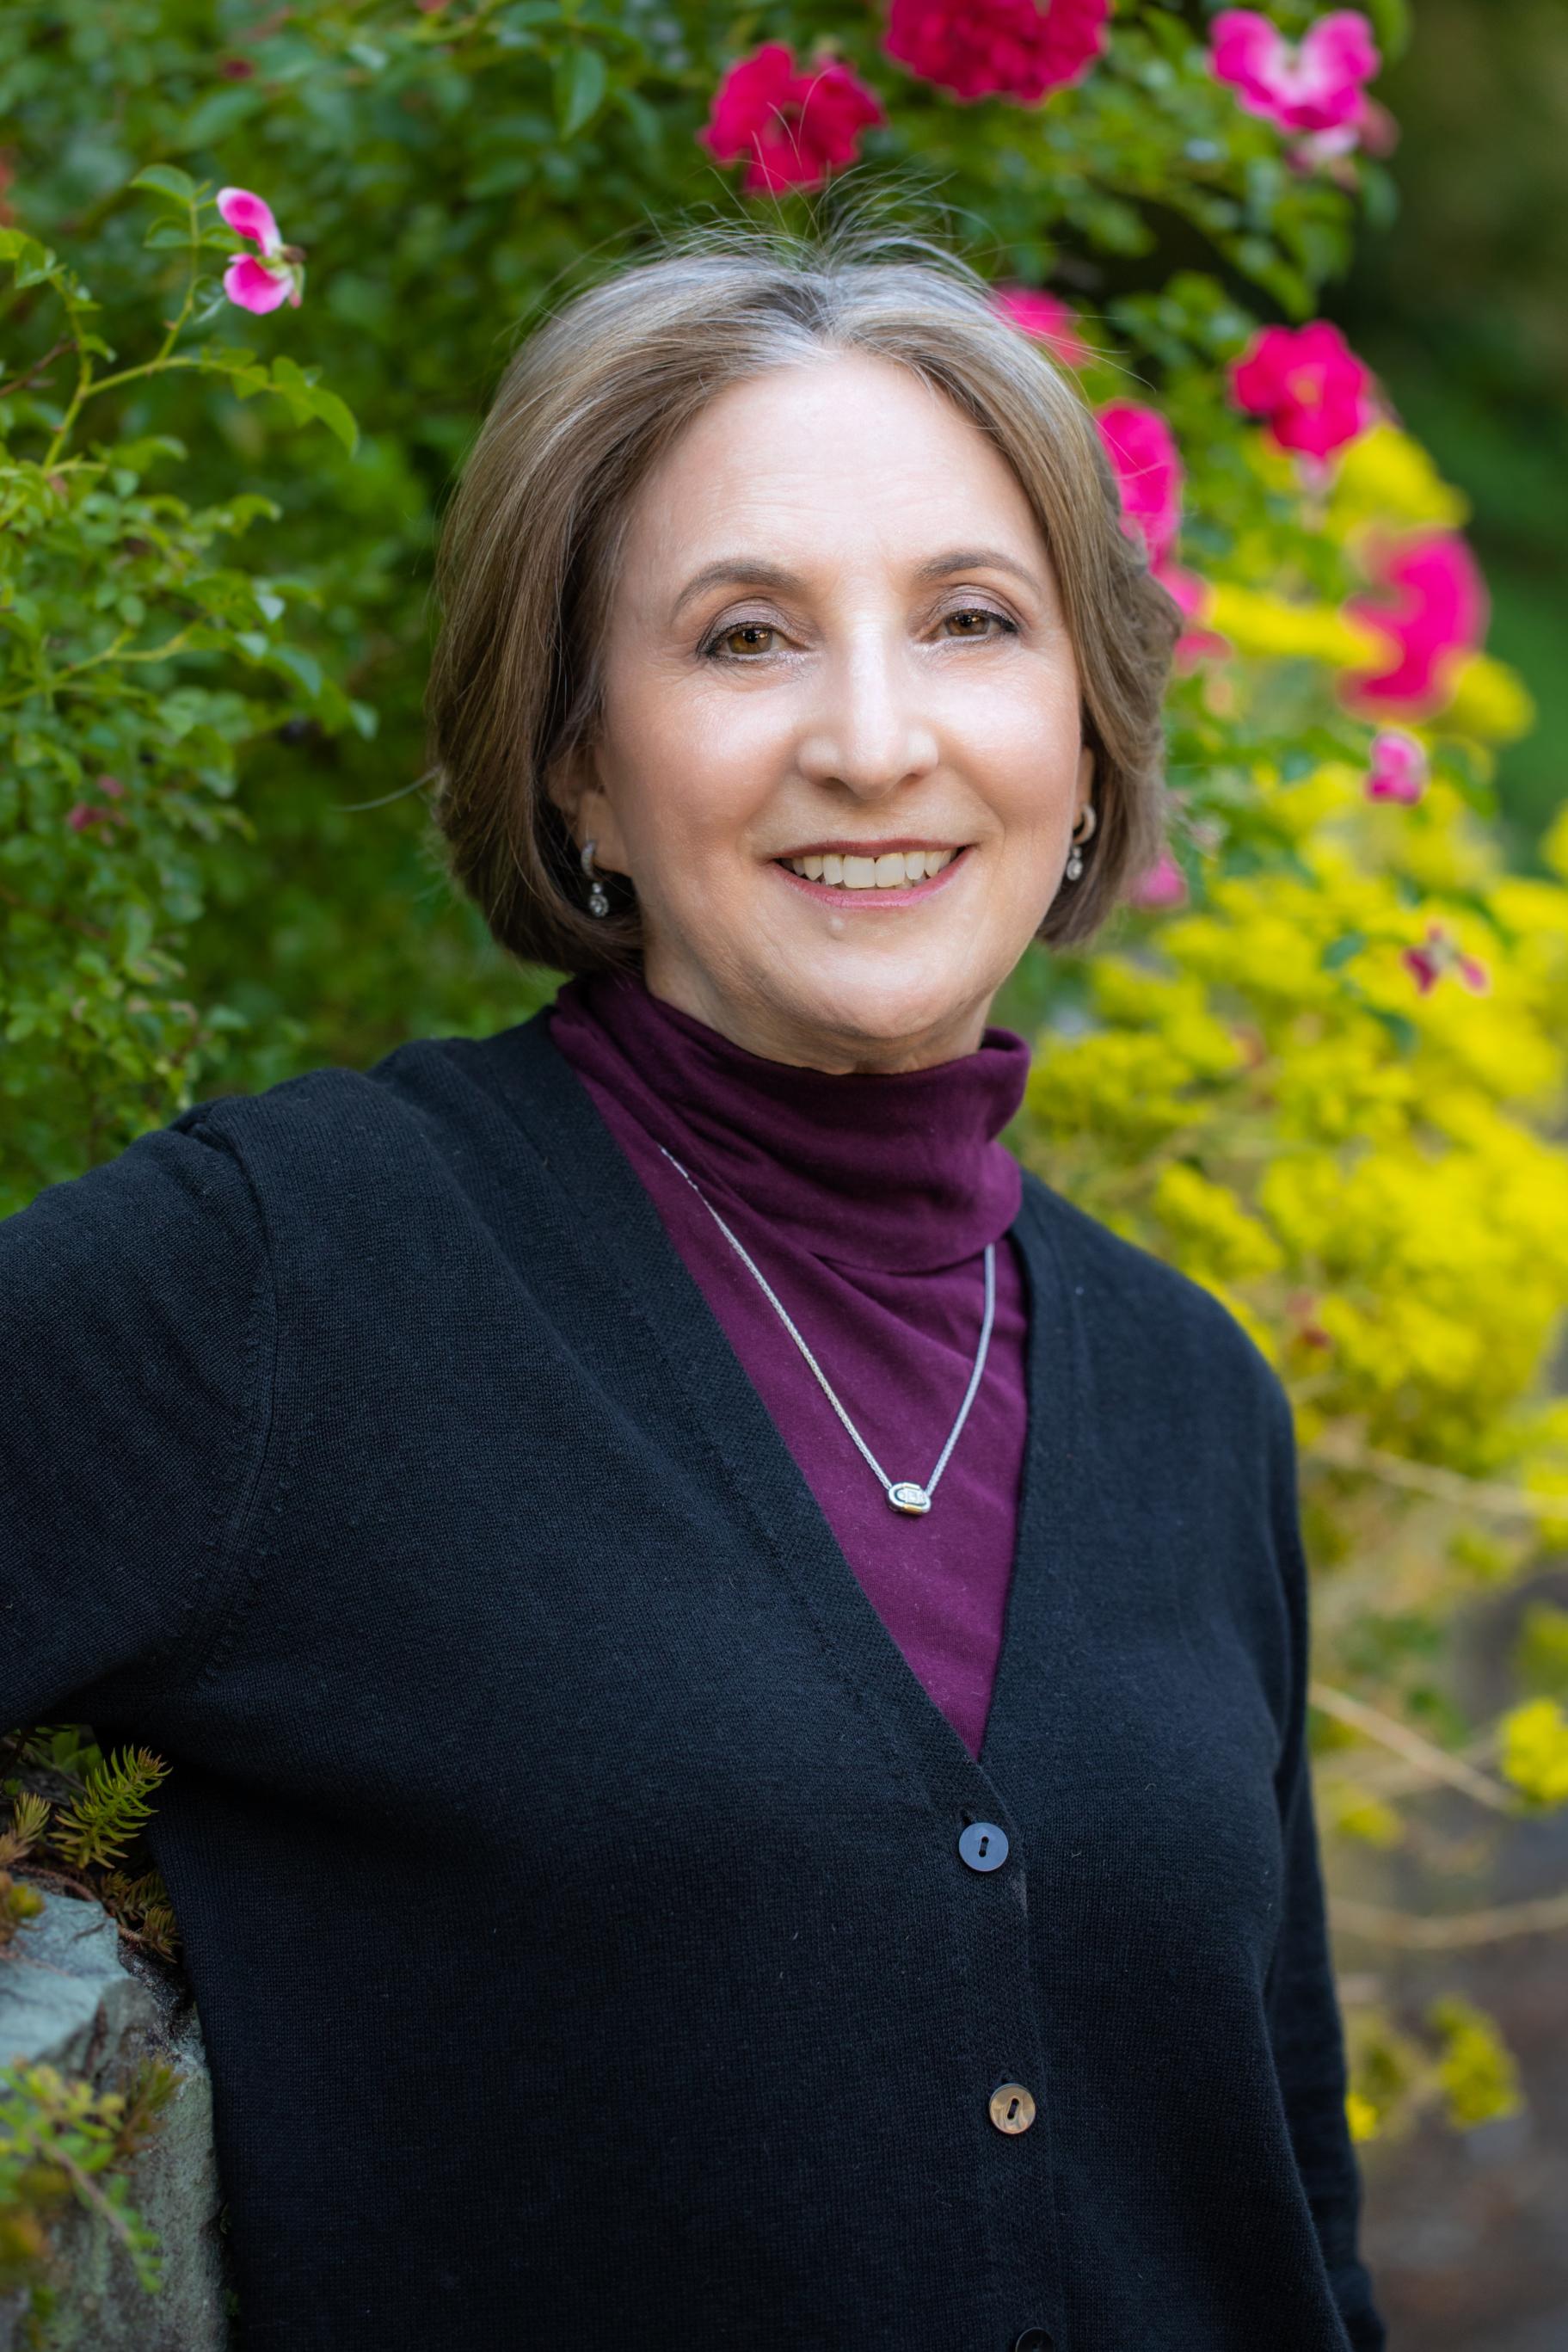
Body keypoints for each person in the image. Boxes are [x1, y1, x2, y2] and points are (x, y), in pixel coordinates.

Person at [1, 216, 1386, 2352]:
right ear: (579, 763)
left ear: (1091, 735)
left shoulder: (1197, 1397)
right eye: (745, 638)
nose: (872, 737)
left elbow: (1285, 2178)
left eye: (971, 622)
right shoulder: (293, 1280)